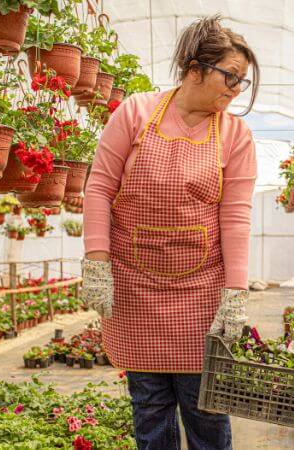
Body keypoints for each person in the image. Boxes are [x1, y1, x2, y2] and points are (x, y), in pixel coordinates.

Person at [80, 15, 259, 450]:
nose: (236, 89)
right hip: (135, 286)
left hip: (200, 293)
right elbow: (99, 187)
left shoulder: (235, 135)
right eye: (230, 77)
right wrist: (96, 261)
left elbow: (235, 216)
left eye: (243, 82)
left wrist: (234, 292)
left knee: (205, 412)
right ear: (195, 67)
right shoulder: (136, 112)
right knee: (150, 408)